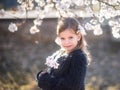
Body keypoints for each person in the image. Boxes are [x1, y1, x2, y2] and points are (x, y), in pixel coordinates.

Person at [36, 17, 91, 90]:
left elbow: (72, 86)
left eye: (70, 37)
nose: (66, 42)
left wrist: (47, 81)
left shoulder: (78, 57)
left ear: (78, 36)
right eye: (63, 38)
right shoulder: (60, 54)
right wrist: (41, 76)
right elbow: (53, 75)